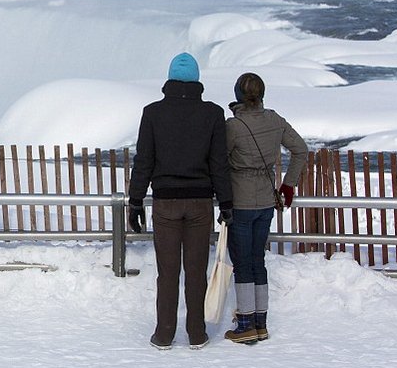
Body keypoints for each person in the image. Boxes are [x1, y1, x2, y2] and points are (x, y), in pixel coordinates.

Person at [128, 52, 233, 350]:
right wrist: (226, 203)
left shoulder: (152, 113)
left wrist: (135, 201)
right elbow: (219, 164)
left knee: (168, 271)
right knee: (197, 270)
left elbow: (144, 161)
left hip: (165, 204)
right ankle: (197, 333)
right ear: (197, 80)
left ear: (170, 78)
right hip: (200, 204)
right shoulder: (212, 114)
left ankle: (164, 334)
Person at [223, 72, 307, 344]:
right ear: (262, 94)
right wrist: (288, 185)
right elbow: (301, 149)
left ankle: (245, 323)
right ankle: (261, 323)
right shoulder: (275, 119)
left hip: (242, 201)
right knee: (258, 260)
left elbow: (219, 161)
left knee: (242, 262)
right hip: (266, 203)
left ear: (237, 95)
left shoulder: (233, 126)